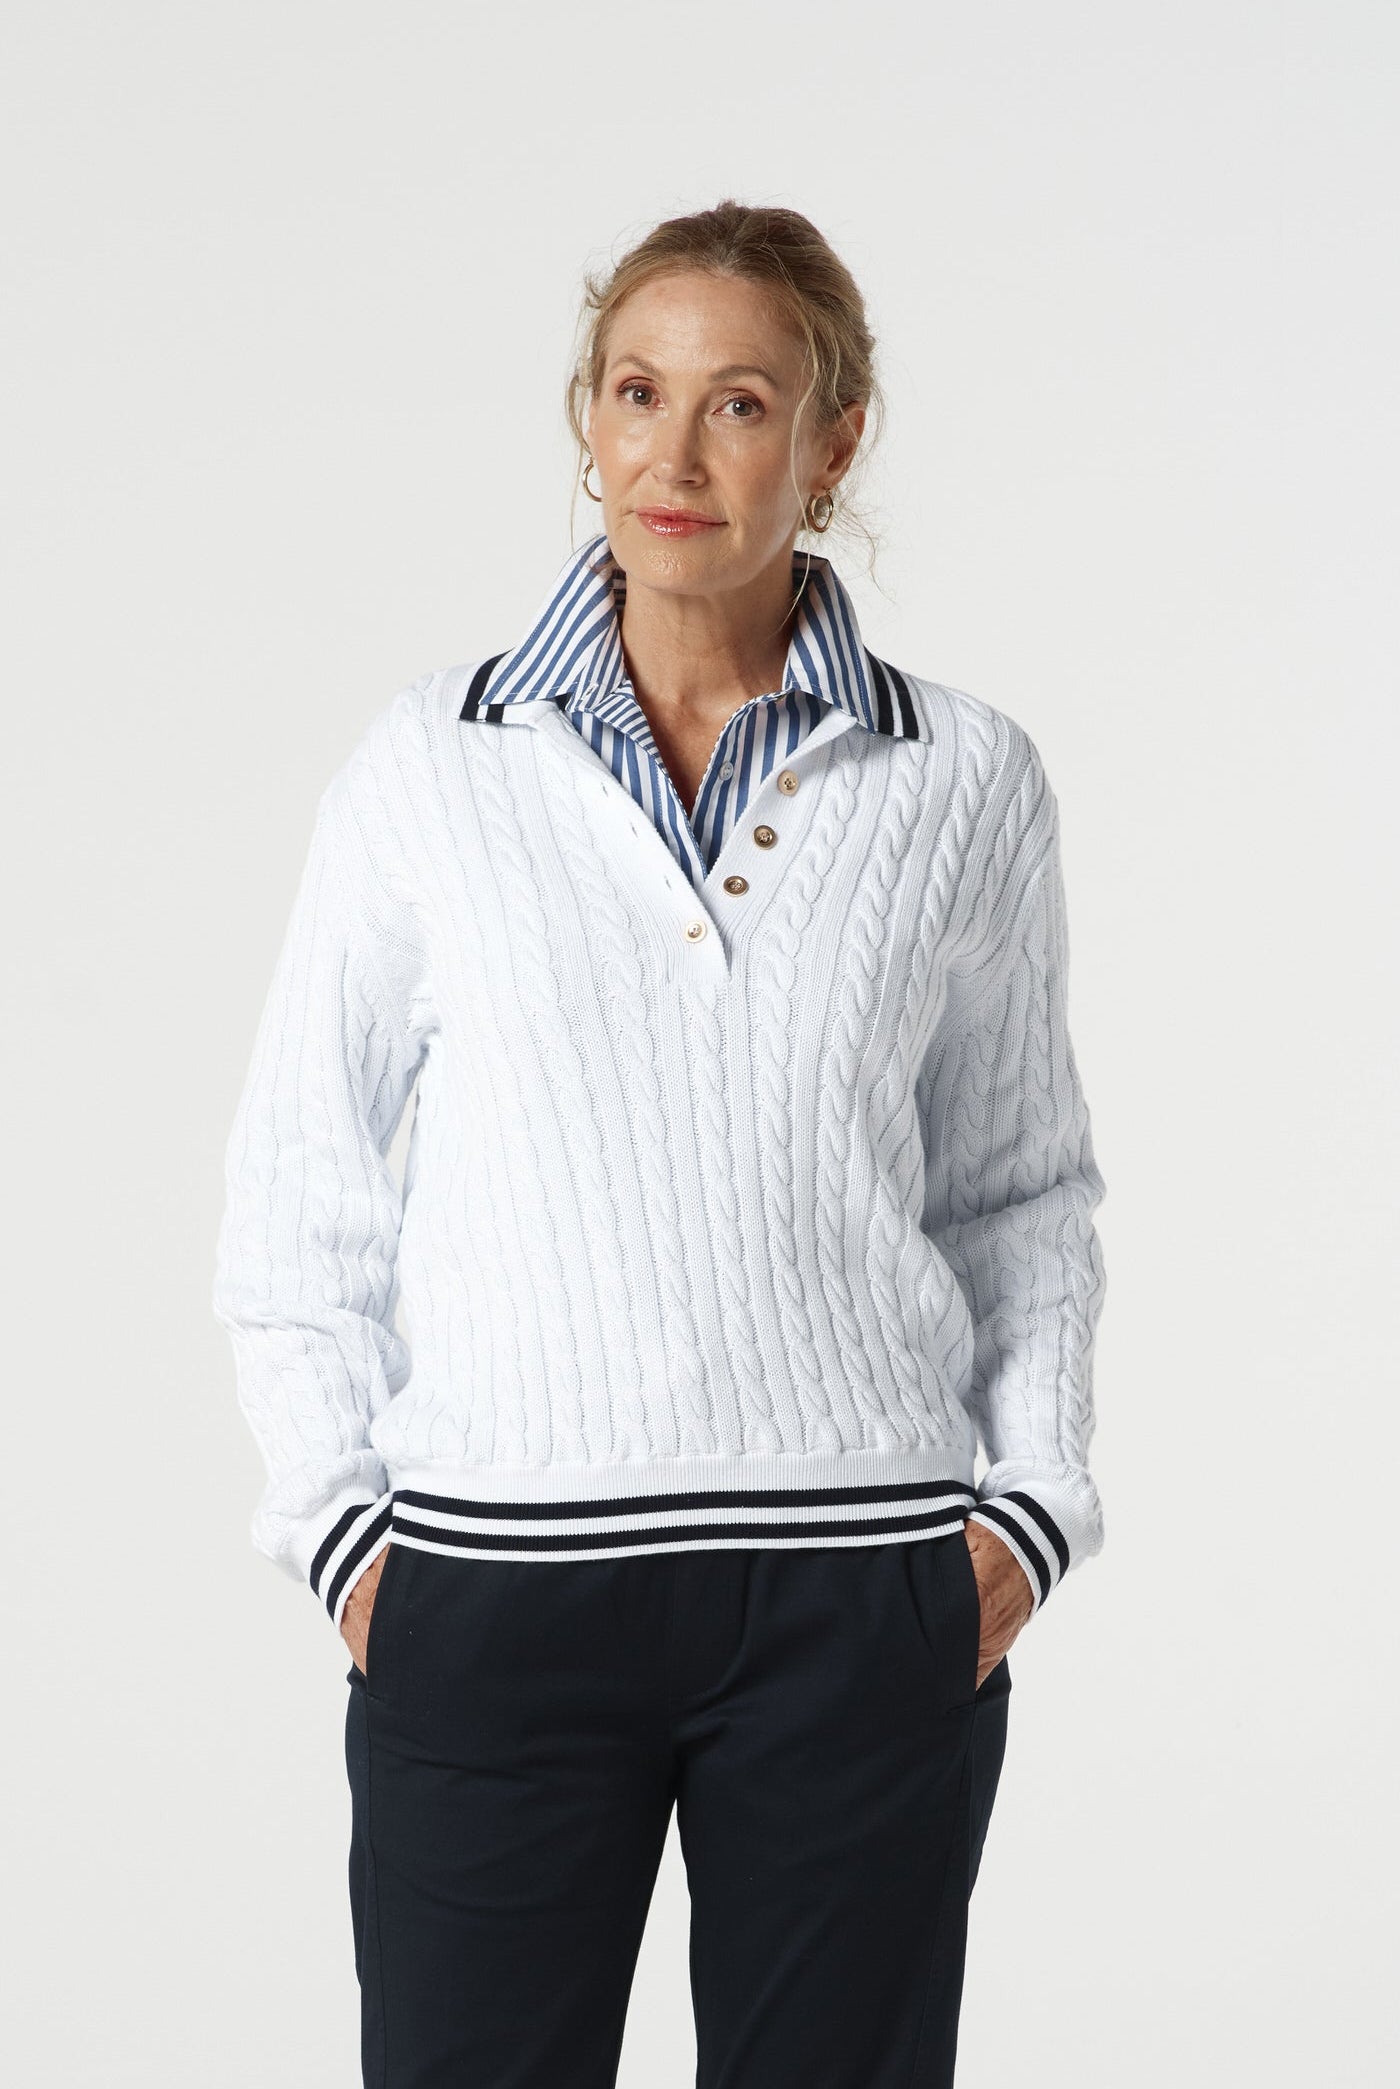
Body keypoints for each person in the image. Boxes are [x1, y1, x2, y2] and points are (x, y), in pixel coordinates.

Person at [213, 197, 1108, 2088]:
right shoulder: (430, 769)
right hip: (492, 1588)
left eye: (739, 403)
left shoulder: (964, 781)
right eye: (636, 392)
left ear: (833, 441)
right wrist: (349, 1540)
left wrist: (1027, 1511)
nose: (674, 454)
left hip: (860, 1590)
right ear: (586, 417)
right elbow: (300, 1192)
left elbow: (1019, 1190)